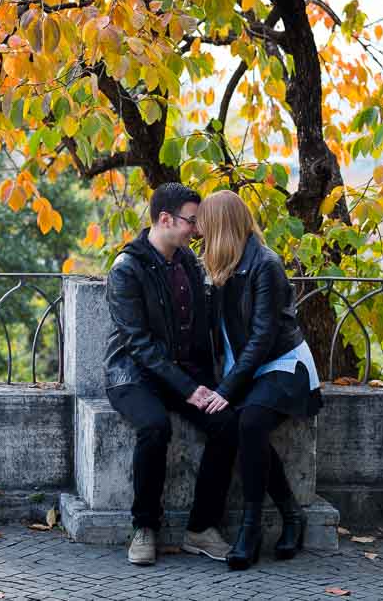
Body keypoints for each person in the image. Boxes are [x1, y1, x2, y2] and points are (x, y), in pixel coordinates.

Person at [104, 183, 236, 566]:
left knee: (228, 422)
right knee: (155, 427)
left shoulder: (189, 264)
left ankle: (201, 528)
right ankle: (144, 527)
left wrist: (213, 384)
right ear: (165, 219)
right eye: (191, 222)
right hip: (133, 376)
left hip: (183, 375)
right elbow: (138, 344)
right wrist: (188, 388)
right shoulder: (126, 268)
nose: (197, 230)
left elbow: (203, 327)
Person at [197, 190, 323, 571]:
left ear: (220, 223)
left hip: (284, 366)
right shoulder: (222, 265)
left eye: (203, 221)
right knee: (239, 424)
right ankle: (291, 513)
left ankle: (250, 527)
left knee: (249, 421)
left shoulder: (265, 264)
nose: (198, 229)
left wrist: (226, 390)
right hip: (248, 370)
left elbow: (263, 337)